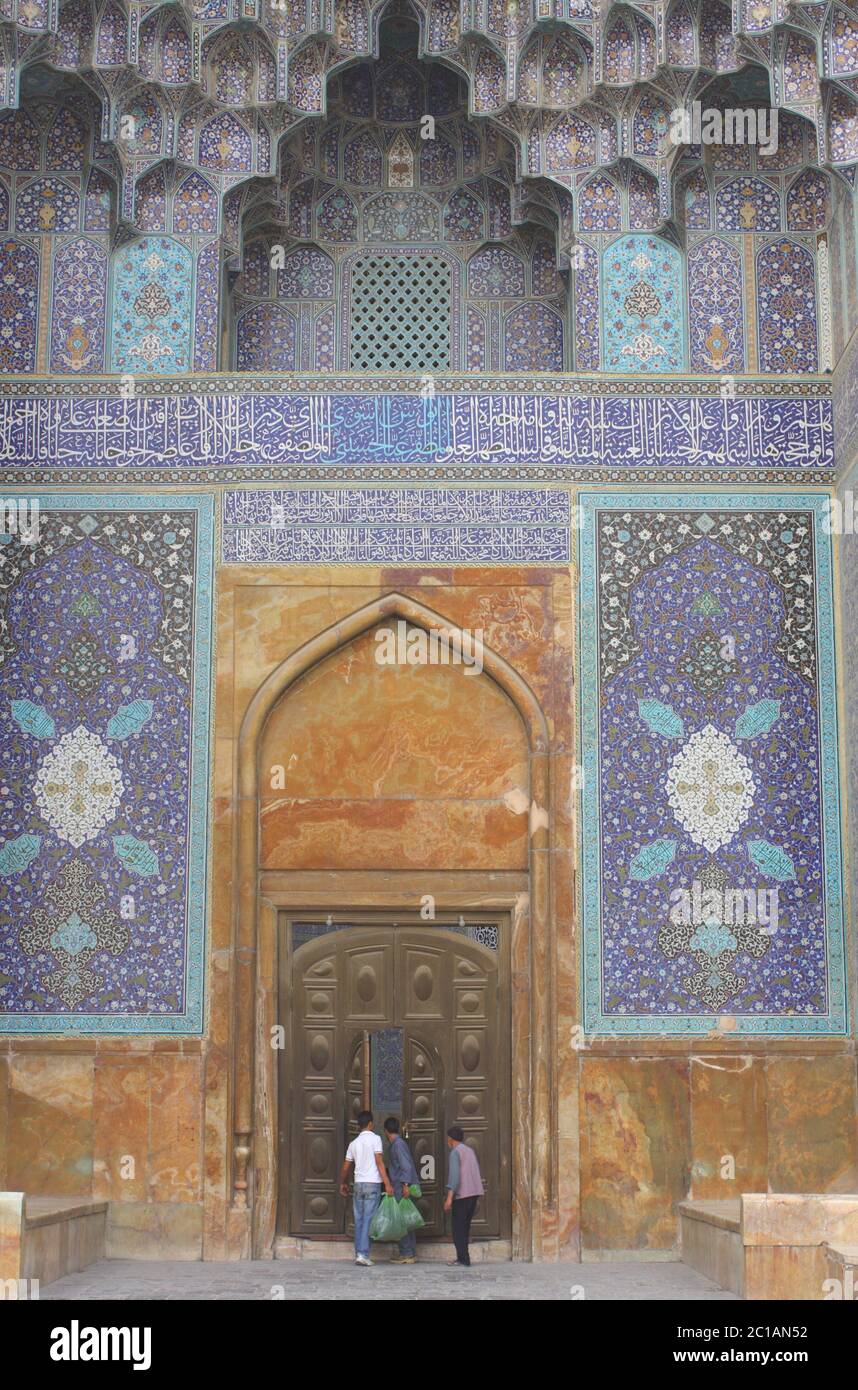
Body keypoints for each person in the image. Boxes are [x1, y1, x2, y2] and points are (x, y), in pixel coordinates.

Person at [339, 1110, 393, 1266]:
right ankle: (363, 1254)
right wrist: (387, 1183)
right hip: (372, 1184)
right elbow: (379, 1162)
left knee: (359, 1219)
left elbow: (345, 1167)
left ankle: (359, 1253)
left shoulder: (353, 1144)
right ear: (370, 1124)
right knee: (369, 1219)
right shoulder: (376, 1139)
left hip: (358, 1184)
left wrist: (342, 1182)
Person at [443, 1125, 483, 1268]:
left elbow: (454, 1177)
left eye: (448, 1138)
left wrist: (449, 1198)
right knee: (465, 1227)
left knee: (458, 1228)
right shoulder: (469, 1151)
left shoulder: (455, 1152)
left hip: (462, 1195)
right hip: (474, 1193)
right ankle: (463, 1257)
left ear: (451, 1139)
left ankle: (463, 1259)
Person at [383, 1116, 420, 1264]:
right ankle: (409, 1252)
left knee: (401, 1222)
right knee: (406, 1220)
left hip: (401, 1187)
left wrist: (405, 1185)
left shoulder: (397, 1145)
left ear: (386, 1131)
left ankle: (406, 1253)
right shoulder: (398, 1144)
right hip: (400, 1186)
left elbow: (406, 1166)